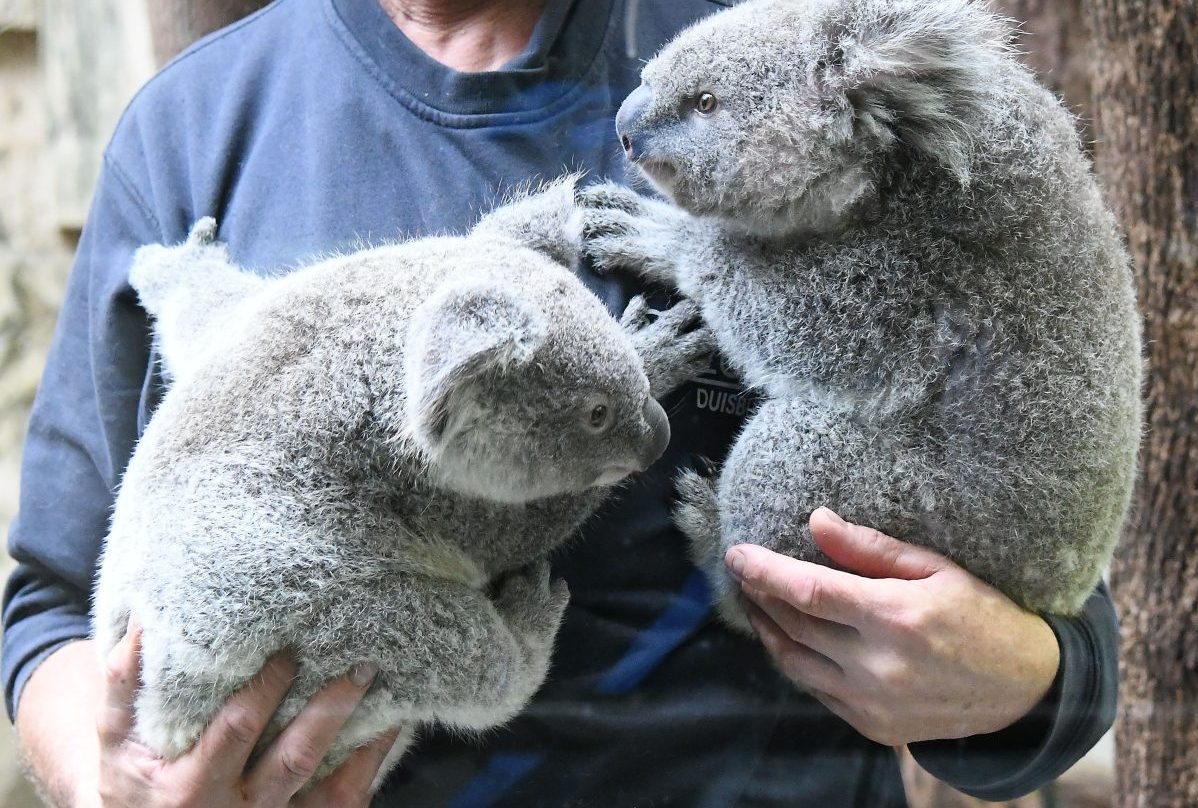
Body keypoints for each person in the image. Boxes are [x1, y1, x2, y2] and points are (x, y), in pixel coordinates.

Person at [3, 0, 1117, 805]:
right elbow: (46, 603)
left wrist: (1018, 682)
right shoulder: (196, 126)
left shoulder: (786, 74)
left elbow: (1046, 599)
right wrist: (124, 783)